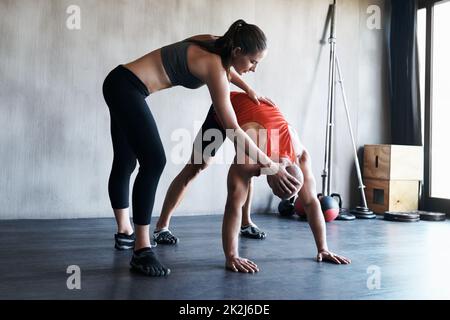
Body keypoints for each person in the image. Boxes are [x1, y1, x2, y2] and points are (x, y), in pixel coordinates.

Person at [102, 20, 301, 277]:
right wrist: (272, 166)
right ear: (238, 51)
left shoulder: (213, 42)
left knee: (125, 162)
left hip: (119, 82)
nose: (254, 69)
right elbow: (234, 129)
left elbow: (229, 70)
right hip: (127, 89)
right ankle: (141, 250)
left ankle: (125, 233)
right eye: (253, 62)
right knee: (154, 161)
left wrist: (249, 89)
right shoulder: (214, 66)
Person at [219, 93, 351, 273]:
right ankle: (164, 226)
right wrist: (231, 256)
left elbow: (311, 202)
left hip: (255, 121)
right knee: (197, 166)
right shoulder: (247, 159)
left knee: (245, 180)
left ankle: (246, 222)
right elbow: (233, 204)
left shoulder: (301, 155)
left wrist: (323, 248)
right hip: (223, 106)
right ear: (269, 178)